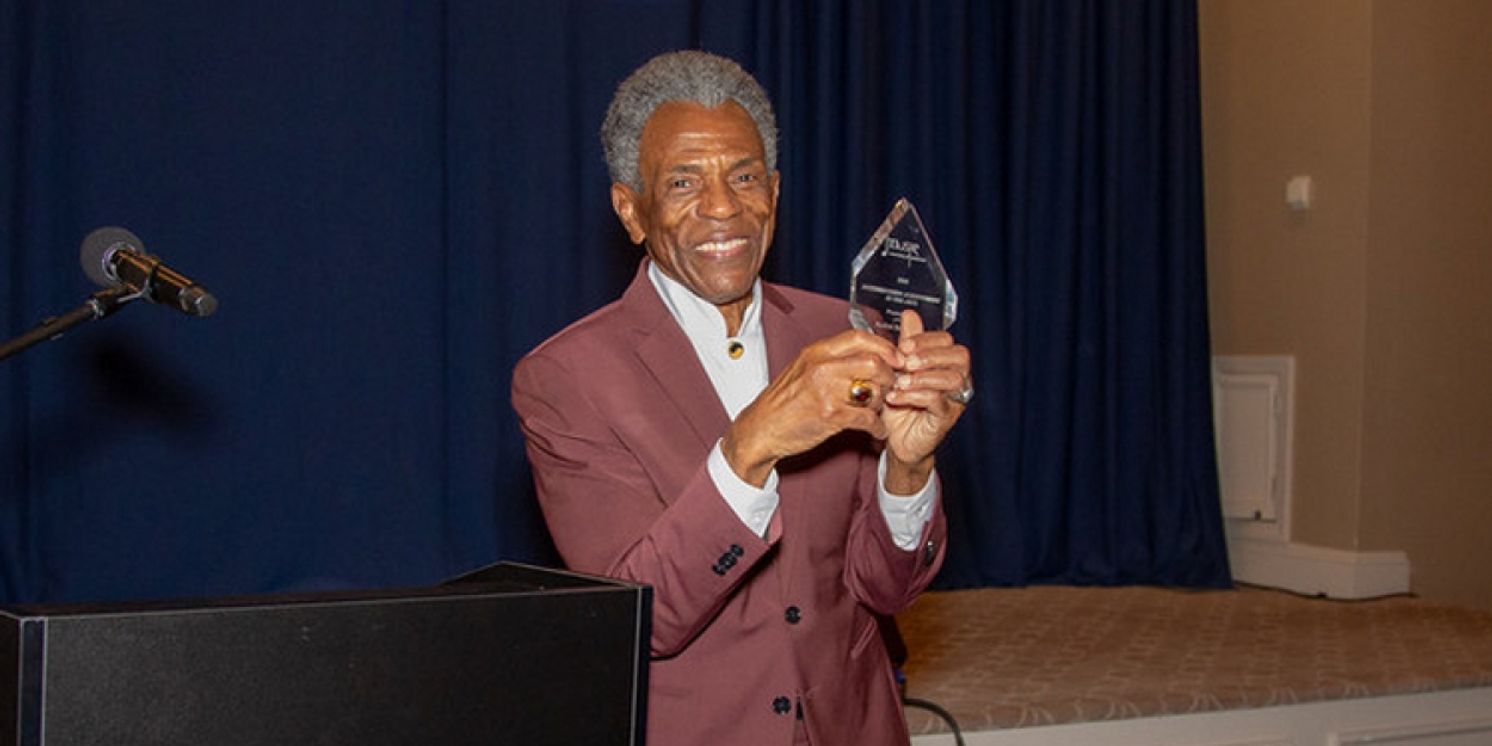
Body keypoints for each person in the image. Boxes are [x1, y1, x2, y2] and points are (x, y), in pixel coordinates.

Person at [511, 50, 971, 746]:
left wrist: (907, 471)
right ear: (630, 209)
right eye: (684, 181)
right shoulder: (567, 380)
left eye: (745, 176)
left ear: (775, 193)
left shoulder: (845, 334)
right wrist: (753, 444)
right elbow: (647, 619)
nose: (723, 207)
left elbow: (886, 591)